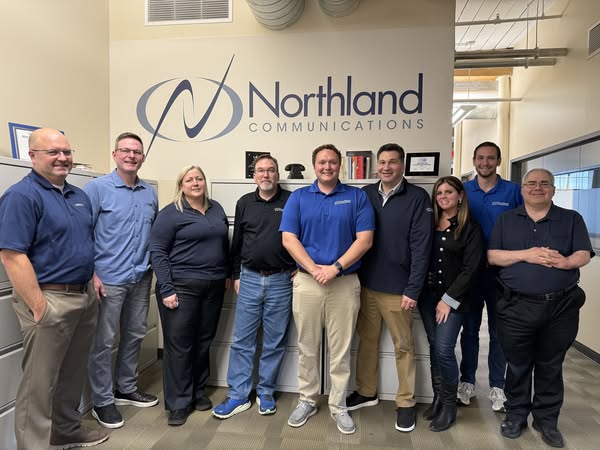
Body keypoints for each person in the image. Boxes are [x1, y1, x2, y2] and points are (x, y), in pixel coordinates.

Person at [0, 128, 108, 449]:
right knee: (39, 382)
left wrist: (92, 276)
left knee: (72, 373)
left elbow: (81, 243)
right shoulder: (22, 196)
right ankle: (33, 445)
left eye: (67, 151)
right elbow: (12, 255)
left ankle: (65, 430)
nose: (63, 158)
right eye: (53, 152)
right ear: (32, 156)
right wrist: (39, 306)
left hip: (83, 295)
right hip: (49, 298)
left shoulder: (79, 196)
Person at [489, 168, 593, 448]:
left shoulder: (571, 218)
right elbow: (493, 256)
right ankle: (515, 416)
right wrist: (528, 255)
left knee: (551, 364)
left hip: (560, 307)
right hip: (516, 306)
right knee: (517, 364)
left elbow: (584, 253)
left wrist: (567, 262)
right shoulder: (506, 219)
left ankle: (547, 420)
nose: (537, 188)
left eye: (544, 183)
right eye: (531, 184)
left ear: (553, 189)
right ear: (522, 189)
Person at [280, 144, 375, 435]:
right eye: (322, 162)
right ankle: (307, 399)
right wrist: (314, 269)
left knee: (340, 350)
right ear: (314, 166)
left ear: (339, 165)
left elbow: (365, 240)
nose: (327, 167)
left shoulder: (356, 197)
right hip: (308, 282)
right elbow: (289, 239)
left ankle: (338, 405)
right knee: (307, 346)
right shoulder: (298, 198)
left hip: (344, 282)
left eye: (333, 162)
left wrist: (334, 268)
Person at [345, 143, 433, 432]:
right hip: (366, 284)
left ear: (402, 165)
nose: (386, 167)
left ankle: (406, 402)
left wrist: (413, 289)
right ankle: (366, 391)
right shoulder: (365, 194)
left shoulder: (417, 197)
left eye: (392, 162)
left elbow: (422, 247)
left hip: (399, 289)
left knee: (403, 346)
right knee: (367, 341)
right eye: (382, 162)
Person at [213, 154, 296, 419]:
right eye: (260, 170)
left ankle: (266, 392)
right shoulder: (244, 203)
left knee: (275, 341)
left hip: (281, 280)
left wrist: (300, 265)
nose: (266, 175)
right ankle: (238, 394)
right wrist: (235, 274)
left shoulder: (292, 201)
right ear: (254, 176)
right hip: (248, 278)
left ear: (277, 174)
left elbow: (302, 235)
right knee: (242, 340)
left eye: (270, 170)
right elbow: (237, 243)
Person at [86, 132, 159, 429]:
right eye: (125, 150)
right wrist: (91, 273)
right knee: (103, 341)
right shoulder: (96, 189)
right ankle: (102, 401)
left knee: (135, 333)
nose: (131, 156)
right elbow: (82, 232)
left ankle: (126, 388)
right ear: (115, 154)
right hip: (108, 279)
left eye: (137, 152)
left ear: (143, 157)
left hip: (140, 276)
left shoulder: (149, 192)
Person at [150, 165, 230, 426]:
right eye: (189, 180)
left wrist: (225, 274)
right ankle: (178, 402)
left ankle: (197, 391)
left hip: (213, 286)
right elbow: (158, 252)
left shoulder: (216, 209)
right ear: (181, 185)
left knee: (203, 341)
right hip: (181, 287)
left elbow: (223, 245)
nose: (195, 183)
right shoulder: (171, 213)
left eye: (199, 178)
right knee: (179, 345)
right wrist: (167, 288)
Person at [459, 141, 523, 411]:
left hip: (502, 275)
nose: (485, 163)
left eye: (490, 158)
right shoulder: (464, 190)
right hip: (470, 273)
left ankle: (498, 386)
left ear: (498, 161)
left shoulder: (513, 191)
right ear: (474, 161)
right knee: (469, 330)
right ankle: (467, 382)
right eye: (480, 158)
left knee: (499, 332)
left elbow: (523, 225)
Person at [418, 176, 484, 432]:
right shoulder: (430, 223)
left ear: (460, 196)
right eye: (439, 193)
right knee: (435, 346)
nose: (443, 197)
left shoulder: (470, 228)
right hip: (427, 296)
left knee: (444, 349)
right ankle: (437, 397)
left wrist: (448, 300)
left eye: (448, 192)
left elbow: (471, 268)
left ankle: (449, 406)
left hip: (454, 300)